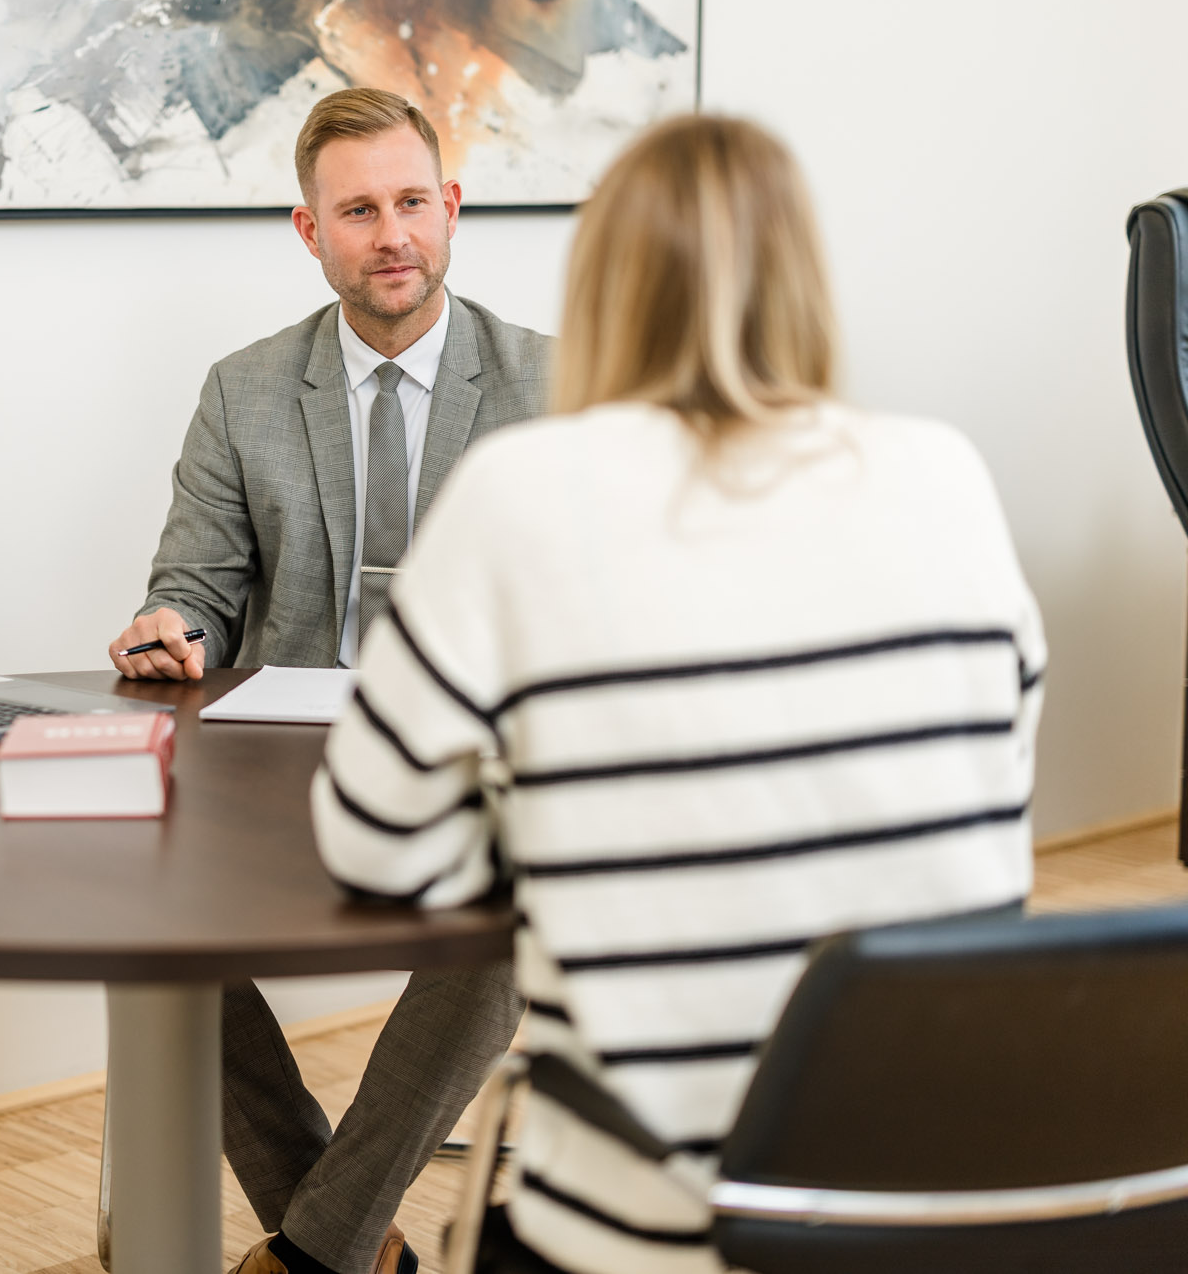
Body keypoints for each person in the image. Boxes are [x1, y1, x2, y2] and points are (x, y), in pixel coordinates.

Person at [312, 114, 1045, 1274]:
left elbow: (372, 844)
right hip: (941, 1197)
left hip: (660, 1227)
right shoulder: (942, 473)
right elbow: (989, 778)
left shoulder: (524, 490)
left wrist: (551, 821)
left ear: (600, 286)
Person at [108, 87, 554, 1274]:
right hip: (275, 763)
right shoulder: (243, 389)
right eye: (357, 209)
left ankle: (312, 1252)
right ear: (309, 232)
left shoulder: (556, 383)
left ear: (451, 209)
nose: (391, 232)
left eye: (413, 201)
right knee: (133, 907)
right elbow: (194, 583)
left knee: (517, 922)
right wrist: (172, 622)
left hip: (480, 766)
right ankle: (343, 1233)